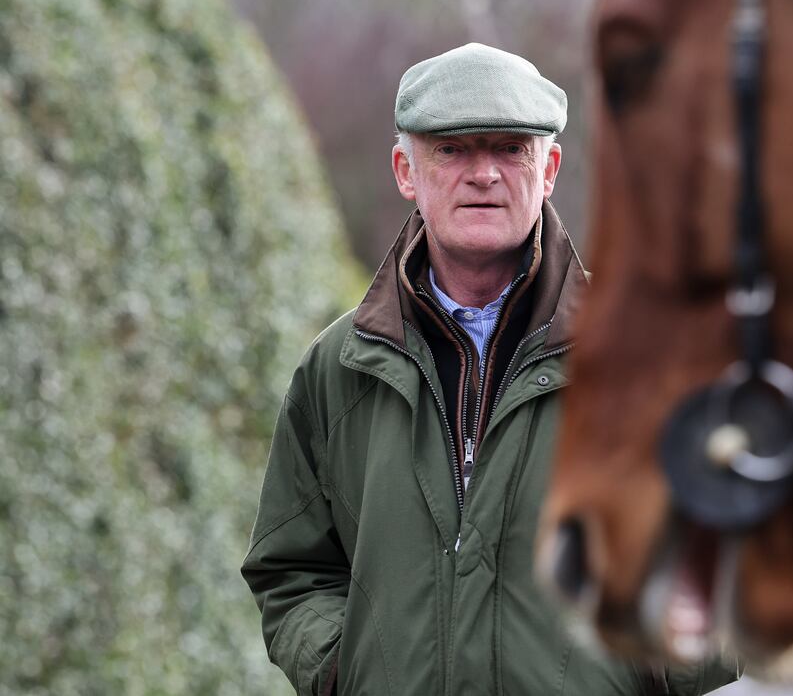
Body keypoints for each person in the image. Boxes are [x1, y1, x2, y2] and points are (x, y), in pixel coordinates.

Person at [241, 43, 738, 696]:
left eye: (509, 149)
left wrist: (649, 670)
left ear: (550, 167)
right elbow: (292, 571)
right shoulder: (337, 370)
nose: (484, 174)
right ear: (405, 170)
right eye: (452, 149)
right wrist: (345, 670)